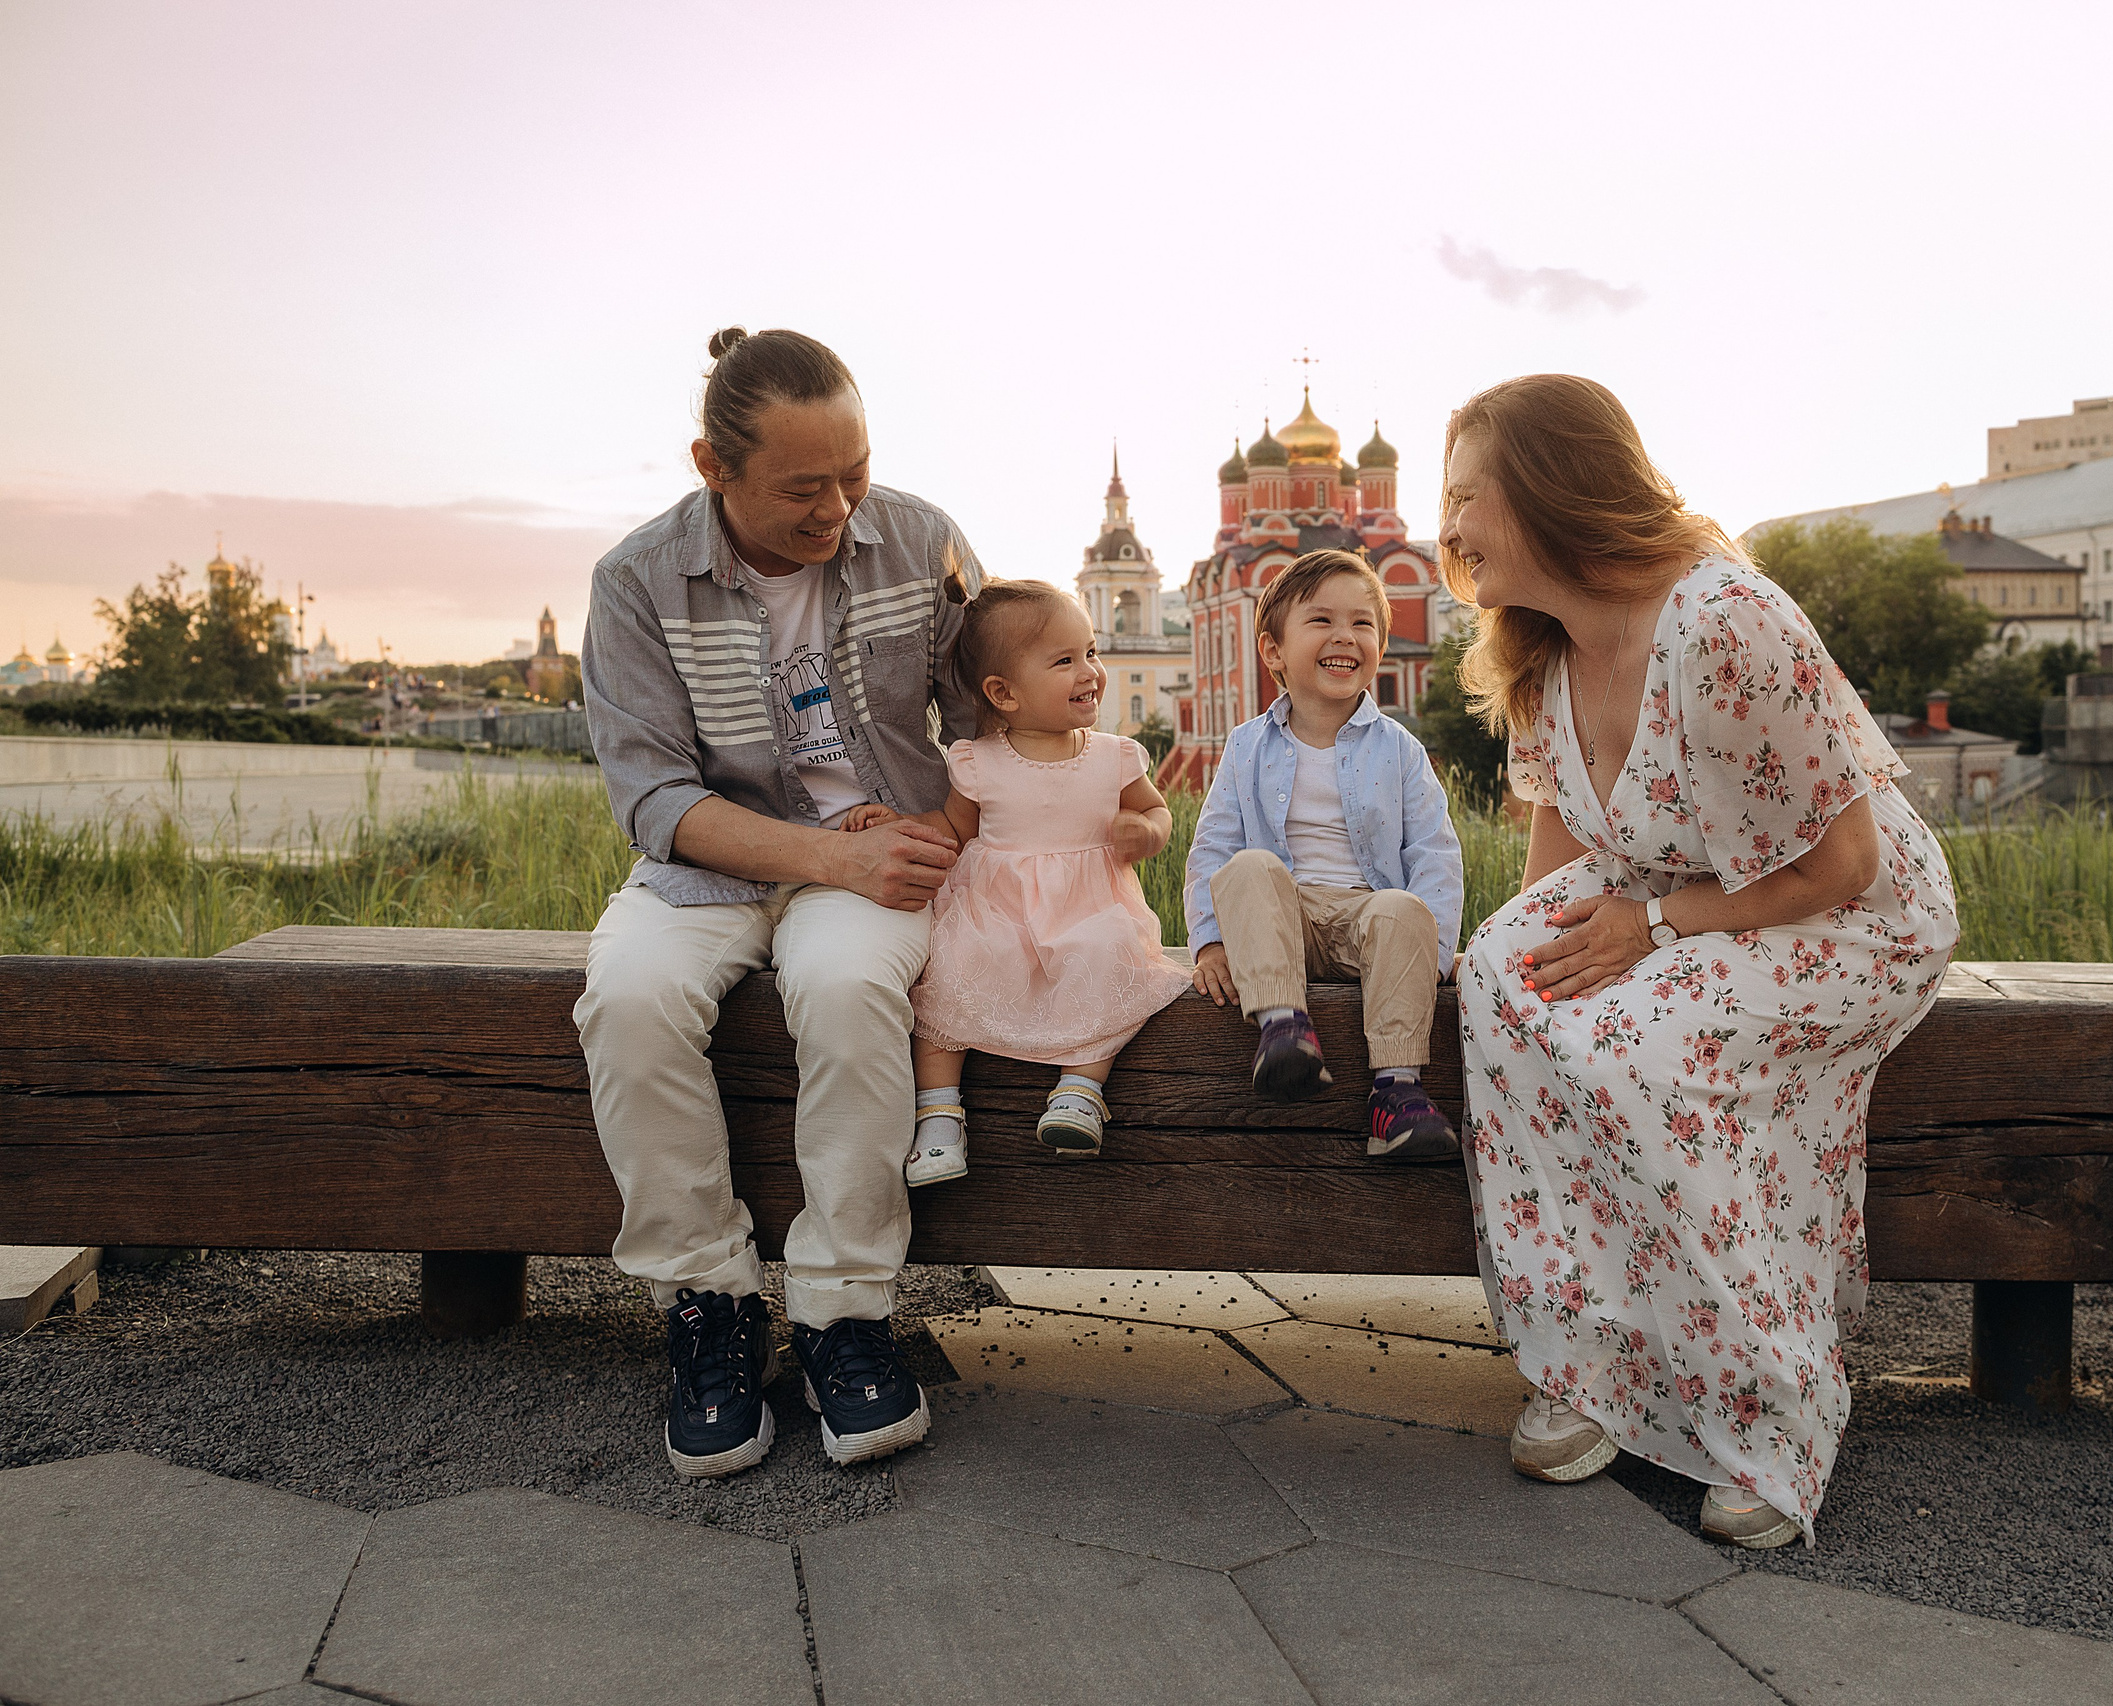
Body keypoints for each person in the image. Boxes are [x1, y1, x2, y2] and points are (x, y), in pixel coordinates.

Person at [1441, 375, 1960, 1548]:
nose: (1450, 529)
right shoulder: (1545, 648)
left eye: (1467, 495)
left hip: (1844, 913)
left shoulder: (1724, 621)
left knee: (1646, 1042)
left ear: (1549, 489)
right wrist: (1542, 989)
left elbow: (1842, 861)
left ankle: (1768, 1409)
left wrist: (1651, 932)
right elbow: (1563, 838)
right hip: (1679, 892)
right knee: (1499, 983)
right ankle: (1591, 1355)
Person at [574, 327, 977, 1480]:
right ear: (713, 465)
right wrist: (823, 858)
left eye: (853, 474)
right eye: (804, 489)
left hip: (884, 845)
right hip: (716, 859)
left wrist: (943, 832)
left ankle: (846, 1312)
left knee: (850, 985)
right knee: (630, 996)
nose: (839, 511)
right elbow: (651, 795)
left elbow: (993, 709)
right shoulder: (635, 580)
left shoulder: (923, 537)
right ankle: (708, 1304)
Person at [888, 574, 1191, 1176]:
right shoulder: (977, 761)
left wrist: (1148, 831)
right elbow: (954, 829)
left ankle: (1081, 1089)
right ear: (1004, 693)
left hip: (1089, 907)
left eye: (1091, 653)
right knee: (950, 966)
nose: (1090, 672)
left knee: (1111, 954)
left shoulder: (1114, 757)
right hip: (996, 909)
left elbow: (1155, 810)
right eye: (1064, 660)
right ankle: (939, 1114)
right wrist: (891, 826)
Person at [1184, 548, 1466, 1162]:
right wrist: (1209, 941)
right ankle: (1284, 1031)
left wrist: (1436, 951)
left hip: (1365, 923)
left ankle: (1396, 1094)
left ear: (1381, 647)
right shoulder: (1247, 746)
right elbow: (1213, 846)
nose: (1345, 636)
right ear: (1273, 651)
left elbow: (1435, 851)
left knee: (1402, 906)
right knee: (1249, 868)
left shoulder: (1400, 749)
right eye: (1321, 621)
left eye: (1363, 623)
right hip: (1282, 922)